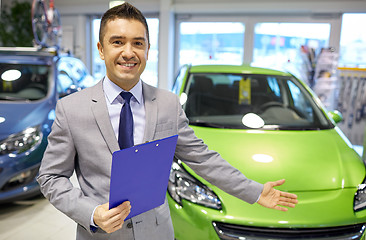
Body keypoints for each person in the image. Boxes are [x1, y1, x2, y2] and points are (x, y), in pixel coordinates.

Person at [37, 2, 298, 240]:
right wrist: (91, 213)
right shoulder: (71, 109)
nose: (129, 52)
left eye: (138, 43)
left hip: (157, 233)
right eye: (117, 42)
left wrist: (254, 191)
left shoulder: (168, 104)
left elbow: (203, 158)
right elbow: (51, 177)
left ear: (148, 50)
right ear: (101, 49)